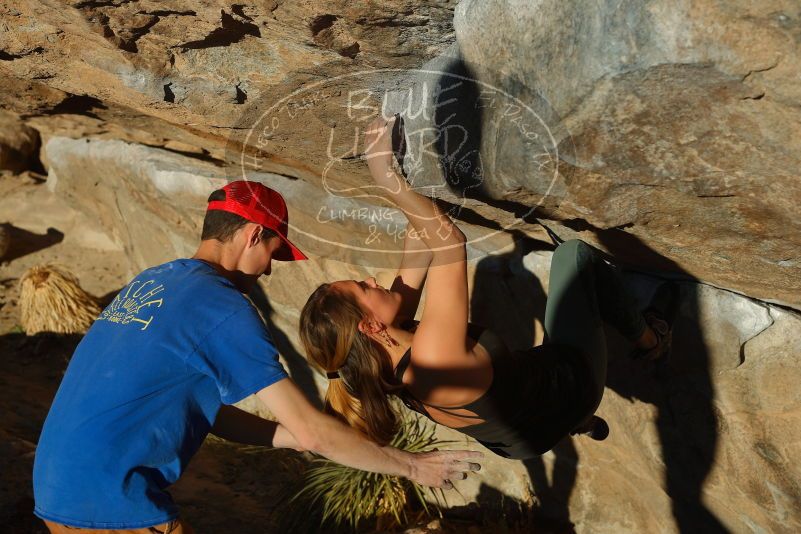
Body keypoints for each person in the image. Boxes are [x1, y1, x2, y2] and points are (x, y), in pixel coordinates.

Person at [32, 180, 482, 534]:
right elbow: (313, 432)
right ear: (252, 235)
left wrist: (288, 437)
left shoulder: (154, 281)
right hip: (111, 498)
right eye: (272, 251)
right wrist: (410, 465)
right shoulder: (222, 307)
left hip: (57, 483)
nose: (268, 269)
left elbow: (206, 413)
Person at [300, 116, 677, 460]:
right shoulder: (433, 362)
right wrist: (385, 178)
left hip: (519, 438)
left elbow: (420, 235)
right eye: (362, 288)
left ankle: (572, 422)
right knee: (574, 256)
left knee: (519, 393)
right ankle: (651, 339)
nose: (370, 280)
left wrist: (405, 166)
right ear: (369, 326)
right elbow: (447, 242)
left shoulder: (382, 356)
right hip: (571, 385)